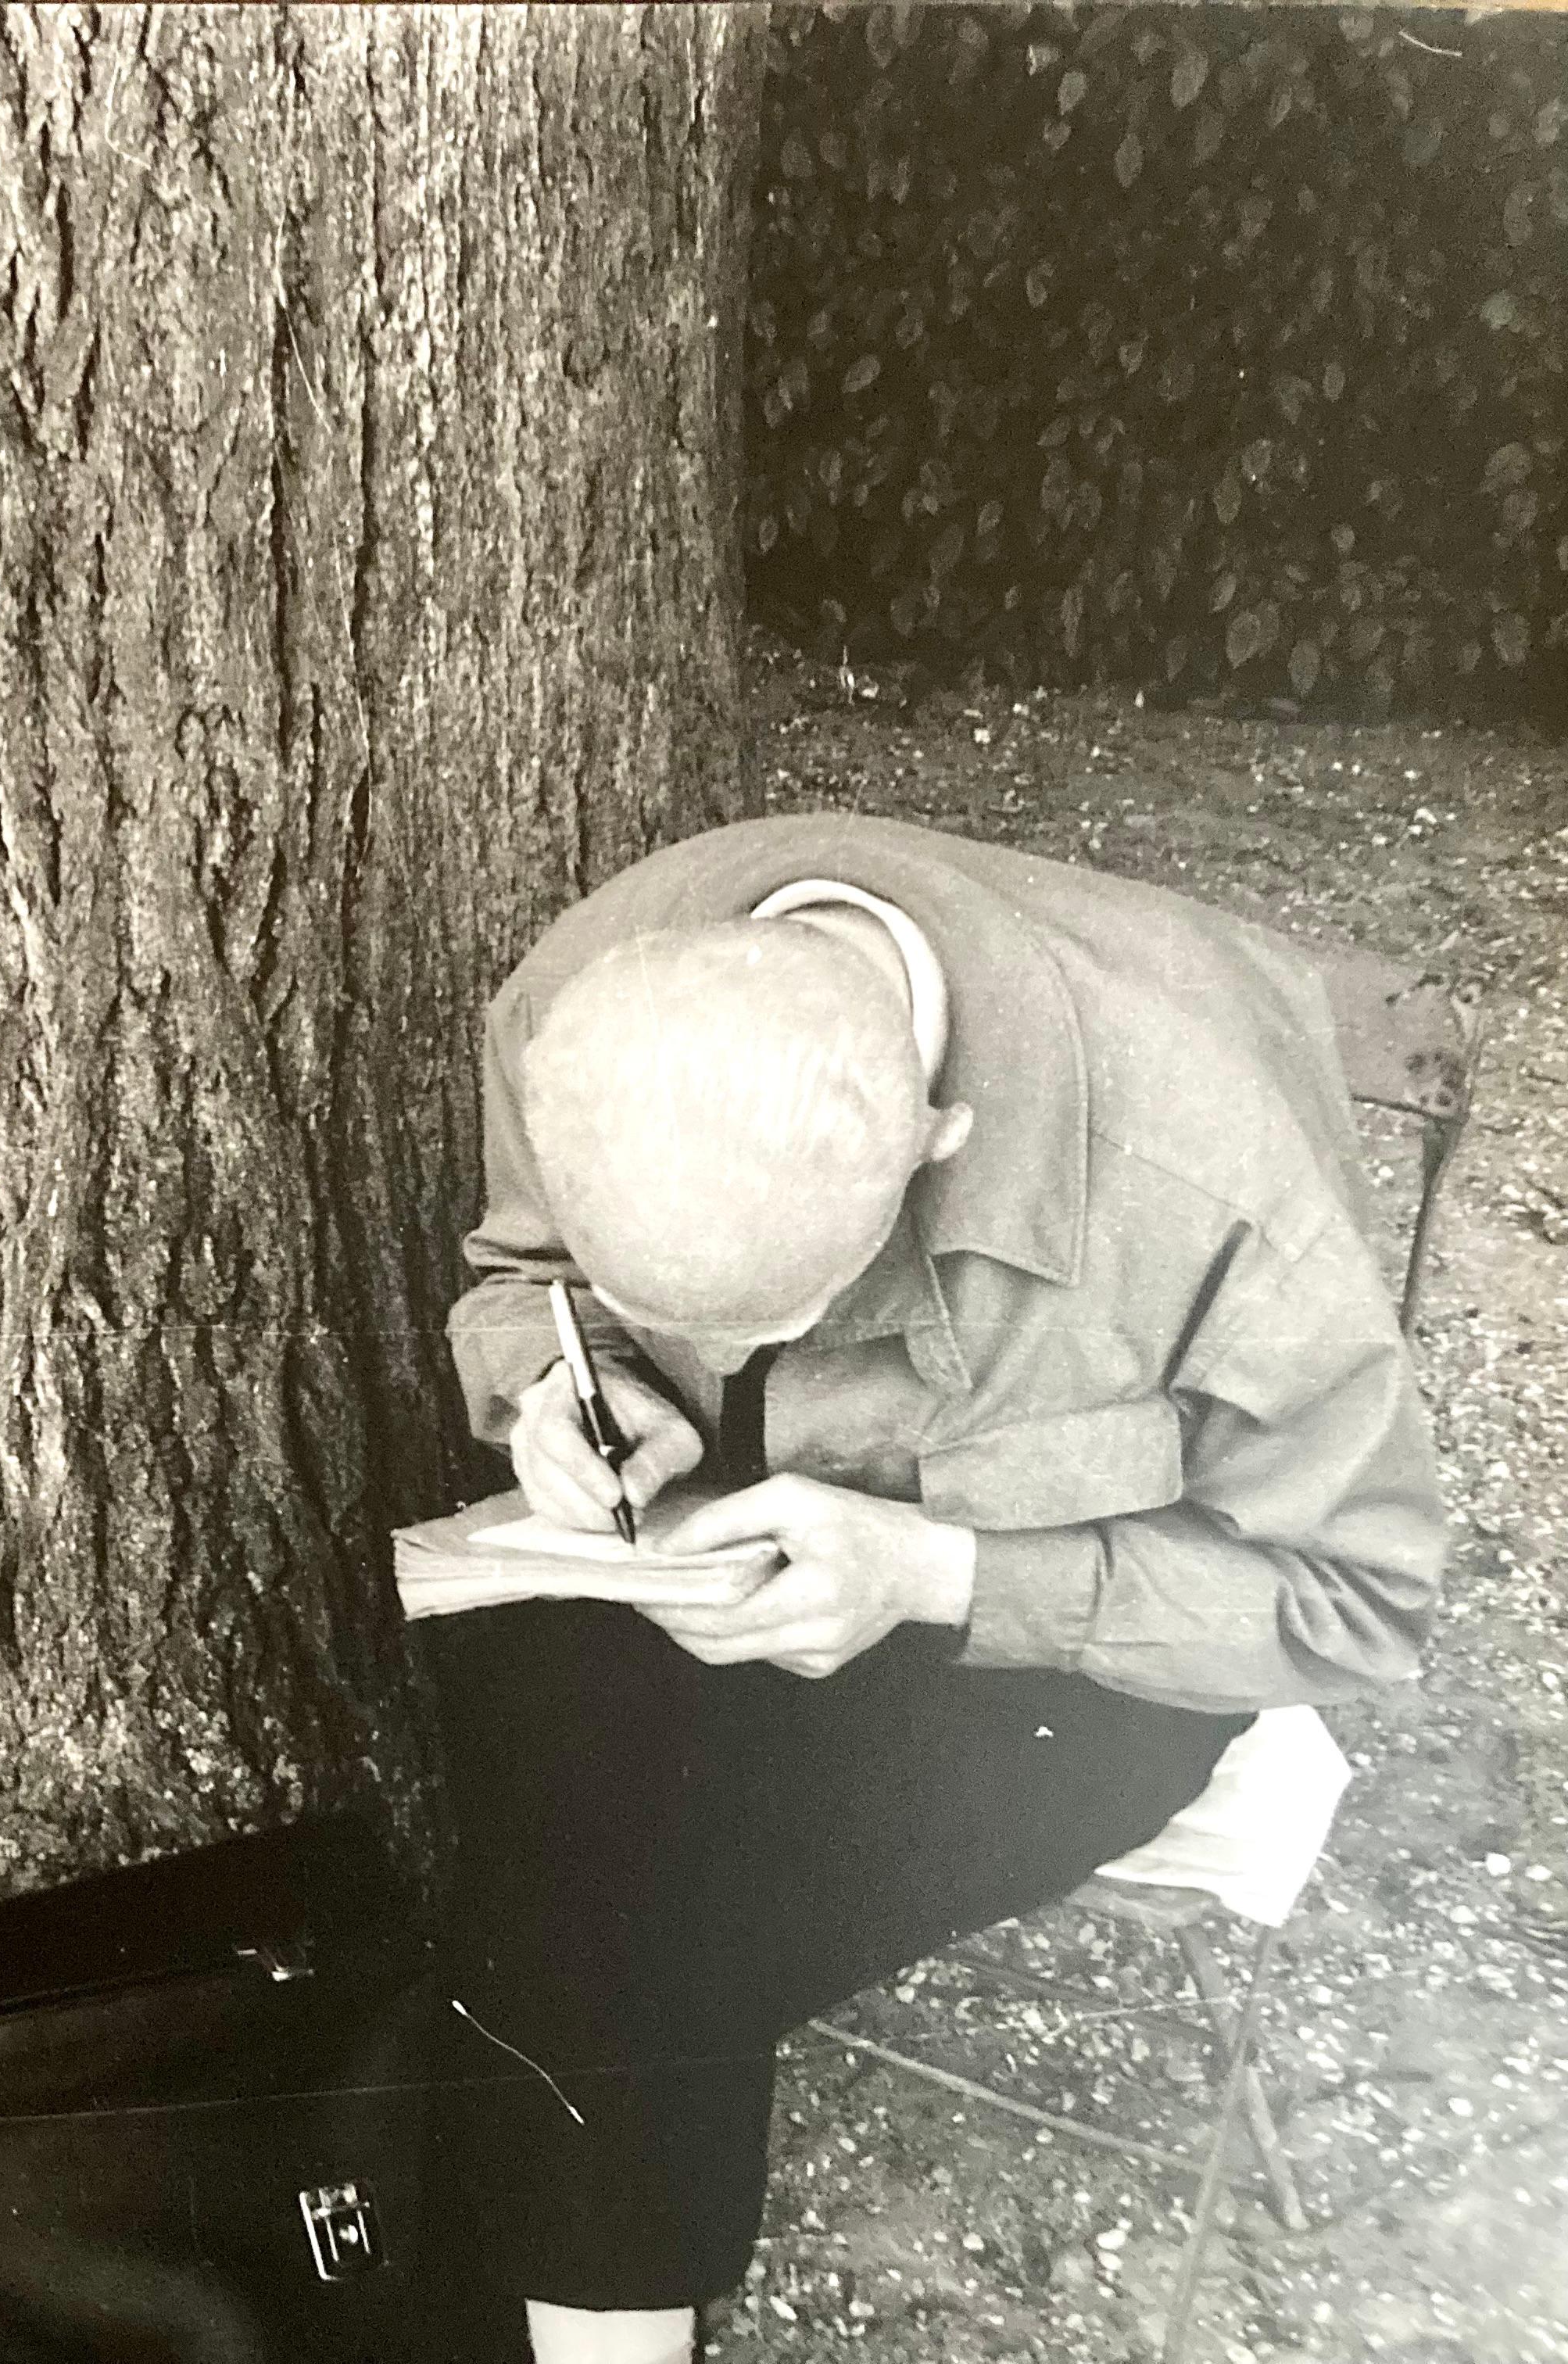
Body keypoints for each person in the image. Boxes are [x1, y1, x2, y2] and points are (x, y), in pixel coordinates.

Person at [425, 811, 1444, 2364]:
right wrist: (569, 1389)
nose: (763, 1353)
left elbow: (1355, 1603)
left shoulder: (1206, 1183)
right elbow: (526, 1281)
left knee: (623, 1934)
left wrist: (938, 1573)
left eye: (805, 1308)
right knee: (556, 1841)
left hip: (1087, 1648)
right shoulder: (583, 1005)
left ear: (935, 1139)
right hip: (752, 1555)